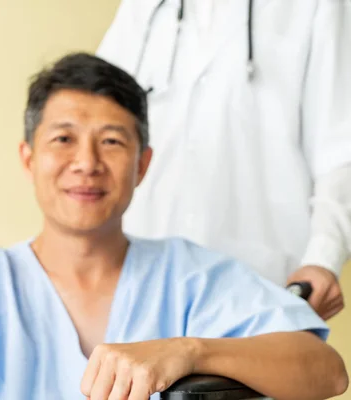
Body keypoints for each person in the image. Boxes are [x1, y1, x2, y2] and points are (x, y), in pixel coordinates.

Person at [0, 53, 348, 400]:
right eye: (63, 139)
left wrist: (188, 351)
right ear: (28, 158)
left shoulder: (192, 277)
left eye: (113, 142)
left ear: (142, 165)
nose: (87, 163)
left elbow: (325, 370)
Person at [95, 0, 351, 320]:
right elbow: (96, 112)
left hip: (262, 284)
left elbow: (340, 149)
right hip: (138, 280)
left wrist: (323, 258)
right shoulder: (144, 7)